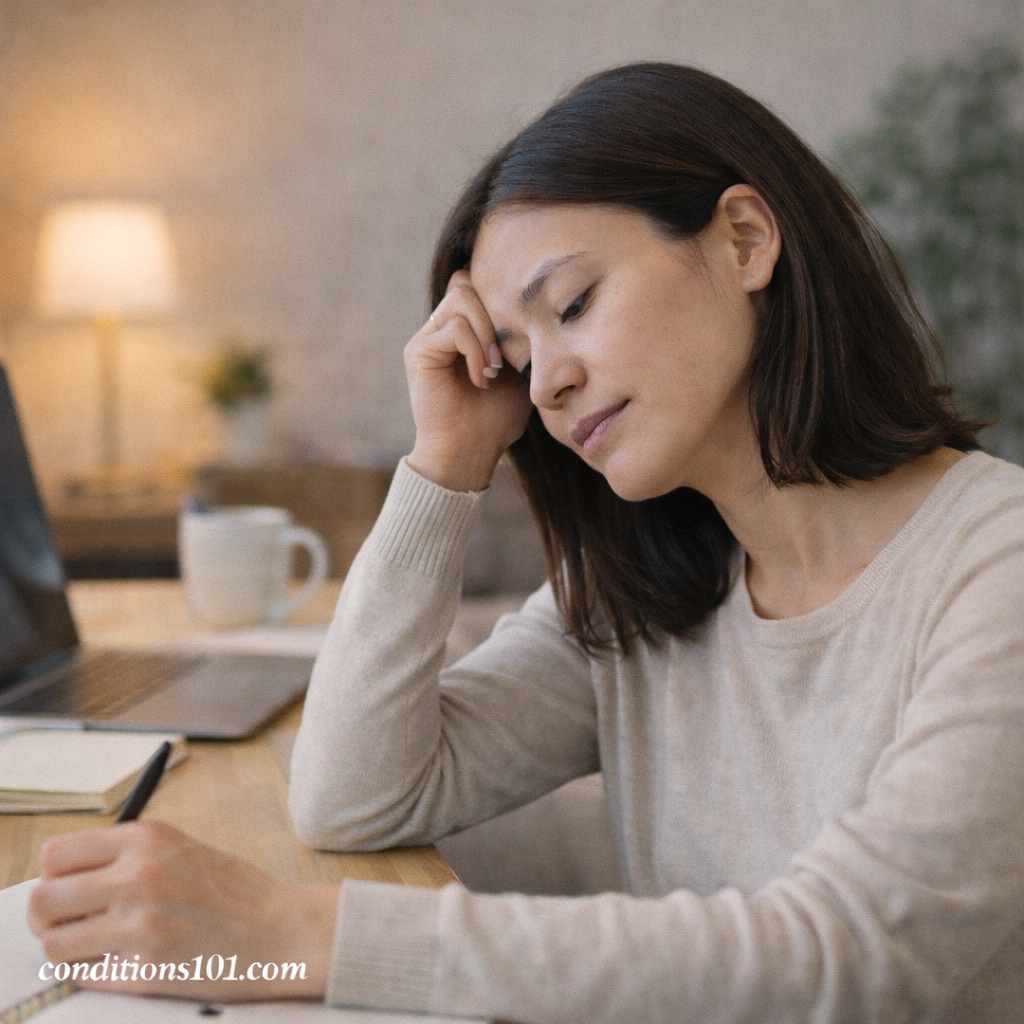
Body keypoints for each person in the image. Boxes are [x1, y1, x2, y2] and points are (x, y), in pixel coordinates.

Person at [28, 62, 1024, 1023]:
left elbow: (849, 958)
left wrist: (298, 930)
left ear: (745, 238)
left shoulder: (994, 563)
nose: (542, 384)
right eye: (515, 351)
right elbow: (353, 796)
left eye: (574, 305)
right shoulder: (643, 587)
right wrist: (445, 462)